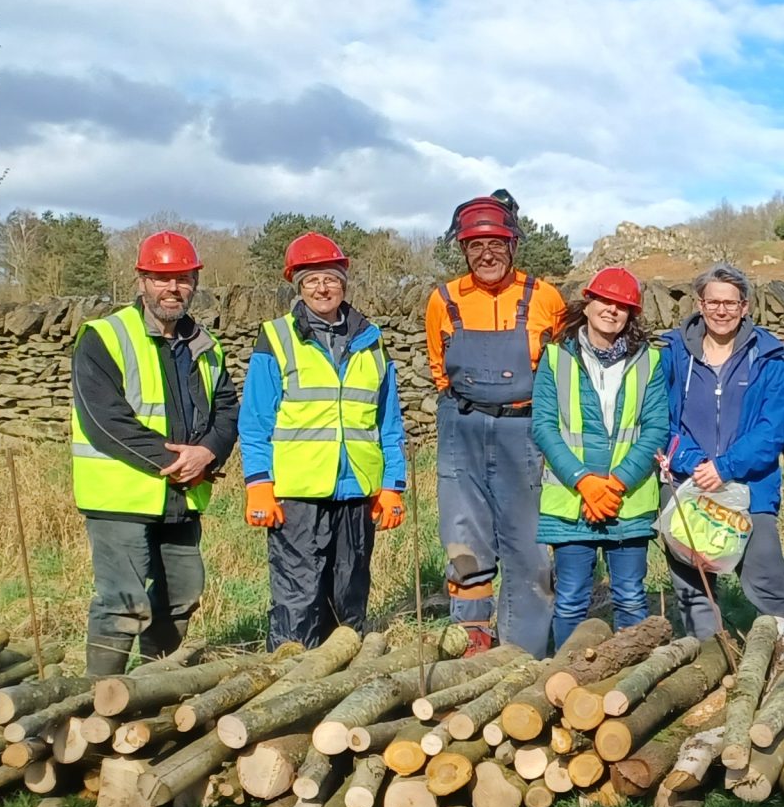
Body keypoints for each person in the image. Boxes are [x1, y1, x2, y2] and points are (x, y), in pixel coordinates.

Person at [68, 230, 240, 675]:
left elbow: (226, 411)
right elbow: (104, 420)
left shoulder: (207, 346)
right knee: (123, 604)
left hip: (182, 498)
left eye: (182, 278)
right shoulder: (103, 337)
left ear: (195, 281)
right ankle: (97, 704)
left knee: (181, 598)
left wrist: (207, 453)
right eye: (162, 278)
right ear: (142, 279)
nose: (173, 288)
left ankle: (154, 698)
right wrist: (176, 462)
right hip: (121, 498)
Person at [237, 232, 409, 648]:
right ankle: (291, 688)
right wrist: (259, 484)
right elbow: (255, 421)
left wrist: (392, 485)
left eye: (330, 278)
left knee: (349, 596)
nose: (322, 288)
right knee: (298, 598)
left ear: (344, 284)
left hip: (356, 491)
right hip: (297, 494)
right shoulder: (276, 338)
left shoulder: (372, 341)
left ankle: (342, 689)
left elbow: (388, 421)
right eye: (311, 280)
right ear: (298, 286)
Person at [424, 190, 565, 654]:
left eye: (496, 244)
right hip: (462, 428)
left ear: (513, 245)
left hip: (524, 431)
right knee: (465, 541)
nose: (486, 254)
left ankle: (522, 656)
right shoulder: (443, 300)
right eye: (475, 246)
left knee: (528, 547)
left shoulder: (544, 298)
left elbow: (561, 369)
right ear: (463, 250)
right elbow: (439, 370)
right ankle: (470, 646)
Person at [531, 267, 670, 648]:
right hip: (571, 501)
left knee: (630, 597)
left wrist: (616, 483)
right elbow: (544, 427)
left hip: (627, 500)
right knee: (572, 599)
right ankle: (563, 683)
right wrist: (586, 482)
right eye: (605, 300)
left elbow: (656, 428)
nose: (612, 309)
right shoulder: (555, 359)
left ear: (632, 314)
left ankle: (629, 684)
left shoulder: (650, 363)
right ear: (588, 304)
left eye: (623, 305)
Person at [657, 263, 784, 637]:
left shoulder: (768, 357)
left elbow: (773, 427)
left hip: (751, 485)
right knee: (693, 577)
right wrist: (694, 462)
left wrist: (725, 466)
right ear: (700, 305)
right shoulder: (673, 353)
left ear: (745, 307)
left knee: (764, 572)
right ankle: (708, 656)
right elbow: (661, 419)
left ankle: (783, 645)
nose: (722, 311)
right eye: (713, 302)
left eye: (730, 303)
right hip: (689, 483)